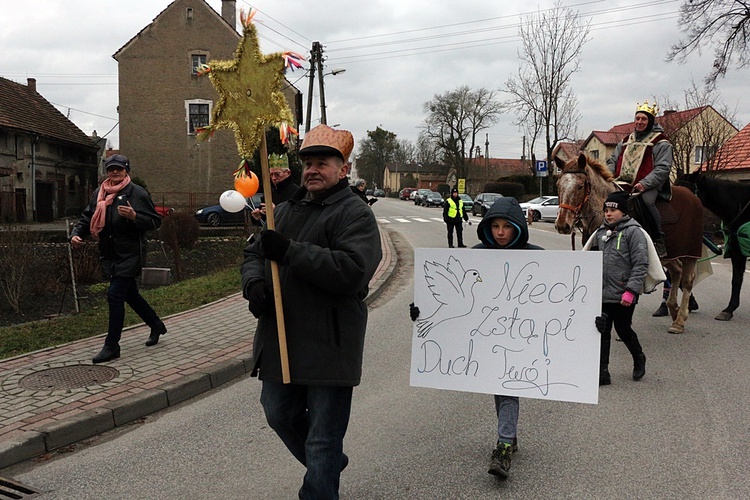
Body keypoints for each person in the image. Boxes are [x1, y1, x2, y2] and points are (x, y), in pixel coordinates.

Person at [241, 124, 382, 499]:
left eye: (323, 163)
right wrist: (253, 284)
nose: (313, 170)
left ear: (343, 169)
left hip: (329, 345)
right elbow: (254, 254)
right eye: (308, 163)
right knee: (278, 414)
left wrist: (289, 251)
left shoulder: (355, 214)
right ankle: (329, 462)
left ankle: (320, 481)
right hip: (281, 339)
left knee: (322, 439)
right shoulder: (284, 210)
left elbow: (351, 272)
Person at [410, 196, 540, 480]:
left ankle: (504, 445)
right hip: (485, 338)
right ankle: (509, 437)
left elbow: (565, 303)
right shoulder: (477, 256)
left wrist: (592, 322)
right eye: (495, 226)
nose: (501, 233)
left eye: (507, 226)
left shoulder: (538, 257)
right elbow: (451, 304)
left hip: (520, 340)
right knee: (499, 385)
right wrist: (421, 310)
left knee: (507, 387)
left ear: (519, 227)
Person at [70, 154, 167, 364]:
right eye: (111, 169)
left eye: (119, 169)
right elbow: (88, 217)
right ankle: (156, 324)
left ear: (126, 171)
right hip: (110, 253)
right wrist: (76, 233)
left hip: (131, 253)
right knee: (130, 295)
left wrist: (135, 217)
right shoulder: (100, 192)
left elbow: (155, 221)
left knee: (114, 295)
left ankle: (112, 346)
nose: (115, 172)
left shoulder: (137, 193)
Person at [591, 191, 648, 386]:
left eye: (613, 210)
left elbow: (640, 264)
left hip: (624, 294)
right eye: (606, 210)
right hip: (602, 294)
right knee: (603, 331)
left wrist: (631, 291)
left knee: (623, 329)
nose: (608, 214)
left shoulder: (634, 232)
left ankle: (639, 358)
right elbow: (590, 261)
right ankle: (602, 371)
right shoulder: (600, 233)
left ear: (623, 212)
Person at [606, 100, 673, 259]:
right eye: (638, 118)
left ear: (650, 121)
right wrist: (608, 176)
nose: (640, 122)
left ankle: (658, 240)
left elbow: (663, 168)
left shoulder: (661, 142)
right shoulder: (625, 141)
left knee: (646, 202)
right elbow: (612, 161)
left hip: (649, 185)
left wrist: (645, 183)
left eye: (644, 119)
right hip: (622, 182)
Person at [250, 158, 300, 223]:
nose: (273, 178)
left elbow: (297, 218)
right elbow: (265, 221)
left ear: (288, 173)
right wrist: (258, 216)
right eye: (271, 175)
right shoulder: (270, 192)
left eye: (277, 174)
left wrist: (276, 210)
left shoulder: (296, 192)